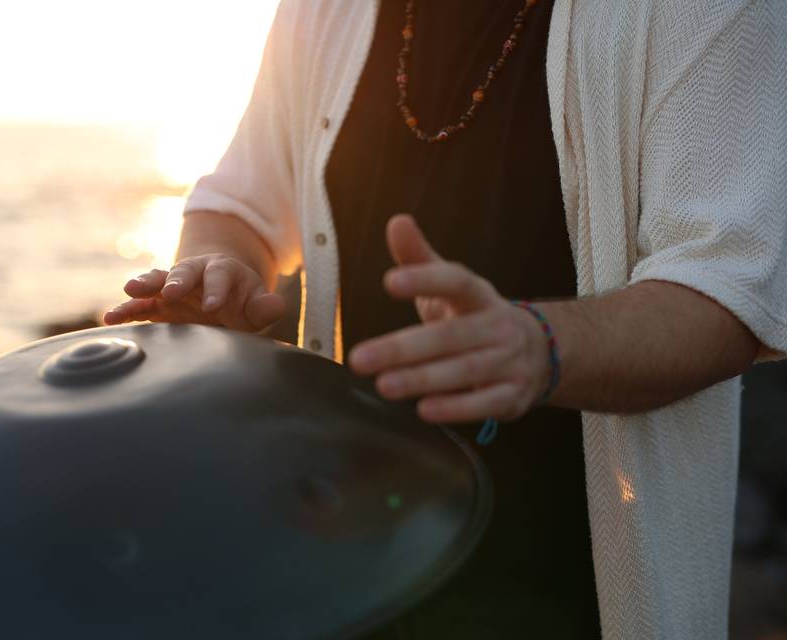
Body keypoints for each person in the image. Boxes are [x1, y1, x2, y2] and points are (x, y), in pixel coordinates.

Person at [104, 0, 787, 638]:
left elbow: (724, 294)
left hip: (572, 592)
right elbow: (237, 204)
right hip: (354, 567)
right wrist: (217, 269)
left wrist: (536, 346)